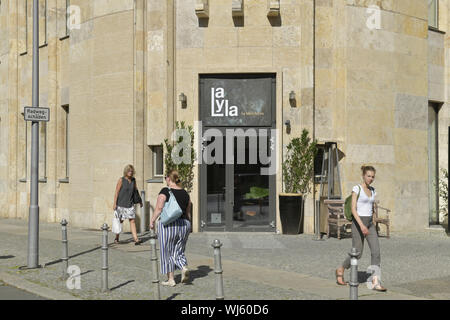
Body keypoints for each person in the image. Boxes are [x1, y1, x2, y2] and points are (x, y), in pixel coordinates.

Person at [336, 165, 387, 292]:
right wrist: (362, 225)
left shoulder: (373, 190)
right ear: (363, 176)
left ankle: (375, 281)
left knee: (376, 252)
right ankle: (341, 268)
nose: (371, 178)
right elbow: (353, 209)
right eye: (368, 176)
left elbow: (371, 207)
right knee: (357, 254)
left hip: (369, 224)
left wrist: (373, 221)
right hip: (358, 223)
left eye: (373, 176)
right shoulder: (357, 188)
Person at [150, 170, 192, 287]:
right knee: (178, 250)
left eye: (165, 178)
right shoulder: (185, 193)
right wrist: (190, 225)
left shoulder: (165, 191)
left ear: (168, 178)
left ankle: (171, 279)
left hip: (169, 225)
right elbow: (188, 212)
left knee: (166, 251)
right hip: (184, 224)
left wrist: (152, 220)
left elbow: (159, 208)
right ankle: (183, 267)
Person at [113, 164, 143, 245]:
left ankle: (136, 239)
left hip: (130, 204)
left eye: (131, 171)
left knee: (132, 220)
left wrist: (140, 201)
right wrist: (114, 203)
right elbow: (116, 192)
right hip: (121, 204)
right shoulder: (121, 180)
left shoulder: (133, 180)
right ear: (126, 171)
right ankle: (117, 237)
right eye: (129, 171)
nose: (130, 172)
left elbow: (136, 191)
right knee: (120, 221)